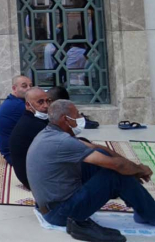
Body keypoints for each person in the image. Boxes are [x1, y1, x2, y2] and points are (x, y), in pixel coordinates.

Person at [26, 99, 155, 239]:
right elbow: (118, 166)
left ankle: (143, 209)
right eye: (77, 115)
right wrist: (139, 170)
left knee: (107, 161)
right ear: (65, 119)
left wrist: (134, 169)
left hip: (51, 206)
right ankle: (150, 213)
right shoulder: (63, 142)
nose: (81, 119)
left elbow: (98, 149)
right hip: (60, 213)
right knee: (115, 175)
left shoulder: (50, 133)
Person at [7, 86, 51, 188]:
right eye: (40, 102)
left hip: (30, 175)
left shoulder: (34, 119)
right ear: (28, 105)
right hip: (34, 180)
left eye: (47, 101)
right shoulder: (33, 125)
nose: (46, 105)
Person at [0, 74, 33, 162]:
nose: (29, 88)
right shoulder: (18, 106)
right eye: (24, 86)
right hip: (15, 155)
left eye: (31, 86)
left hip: (12, 151)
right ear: (14, 88)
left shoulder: (14, 101)